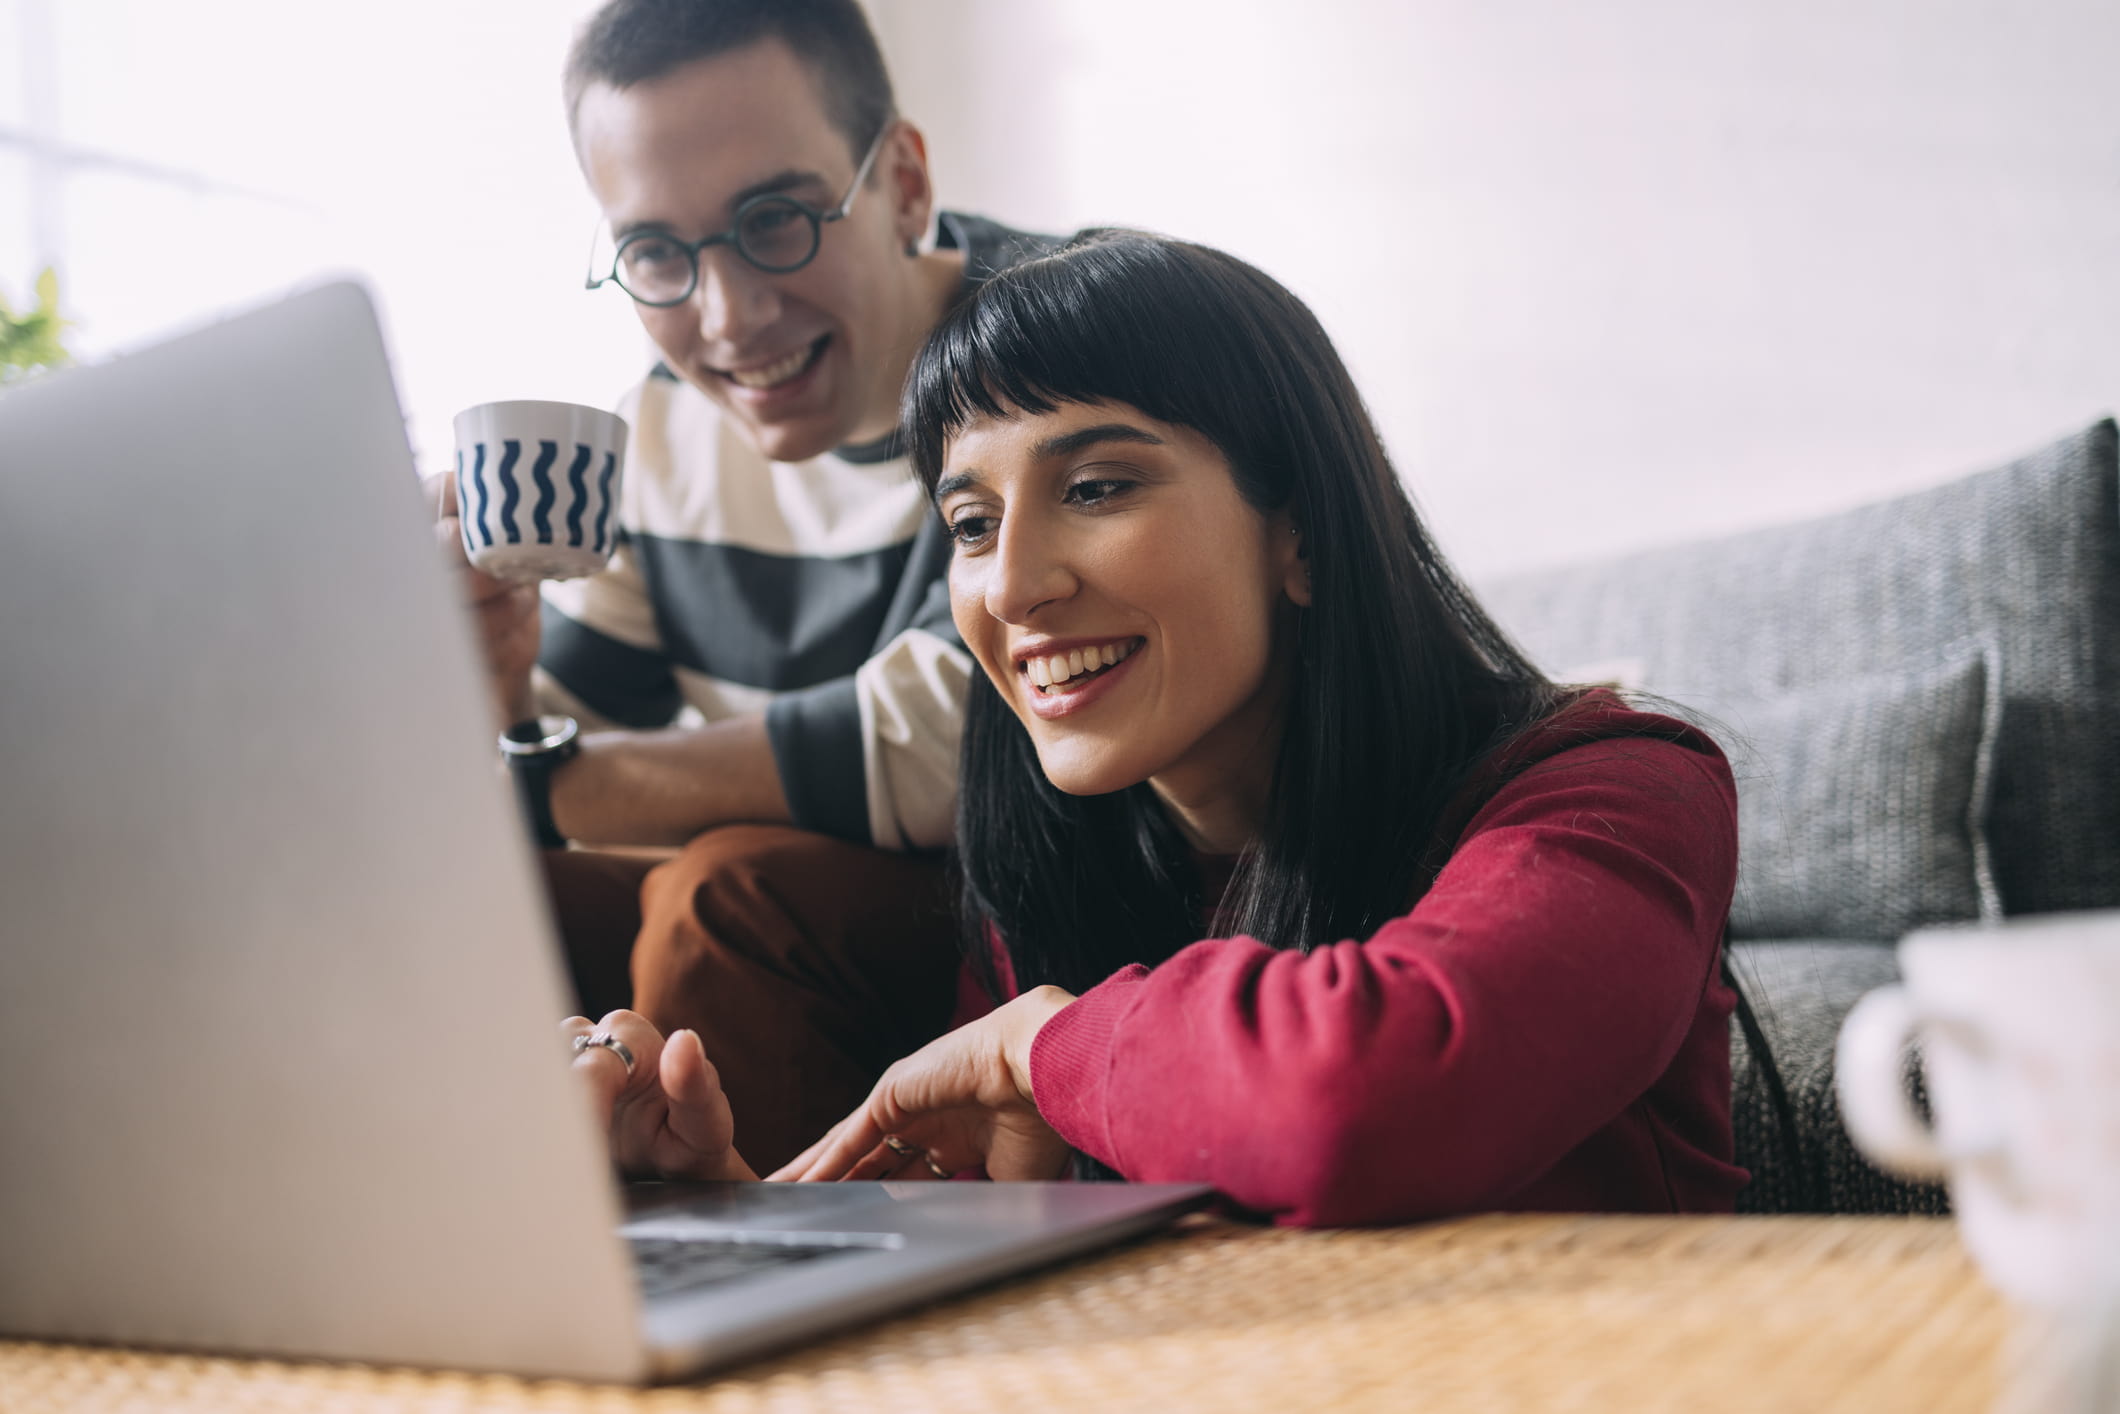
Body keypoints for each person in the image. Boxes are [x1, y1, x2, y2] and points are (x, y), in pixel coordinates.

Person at [561, 230, 1750, 1226]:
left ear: (1300, 532)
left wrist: (1046, 1047)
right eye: (970, 524)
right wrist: (734, 1216)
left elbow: (1355, 1105)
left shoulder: (1619, 790)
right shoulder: (1059, 864)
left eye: (1094, 489)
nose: (1012, 585)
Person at [431, 0, 1057, 1173]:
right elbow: (578, 753)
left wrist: (530, 783)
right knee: (500, 903)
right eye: (657, 254)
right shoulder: (656, 435)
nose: (727, 317)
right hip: (810, 946)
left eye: (773, 218)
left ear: (904, 185)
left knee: (722, 898)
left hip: (1029, 918)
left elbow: (932, 757)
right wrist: (501, 689)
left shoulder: (1045, 341)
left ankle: (786, 1282)